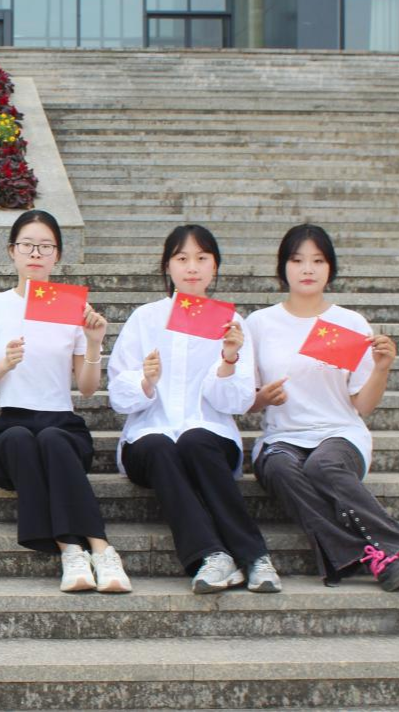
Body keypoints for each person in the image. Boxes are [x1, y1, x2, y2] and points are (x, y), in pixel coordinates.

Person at [247, 223, 399, 592]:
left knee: (322, 465)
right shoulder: (260, 323)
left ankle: (397, 550)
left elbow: (363, 404)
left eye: (318, 260)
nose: (308, 269)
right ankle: (380, 552)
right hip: (281, 437)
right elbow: (247, 401)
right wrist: (264, 397)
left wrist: (382, 368)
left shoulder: (349, 322)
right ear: (283, 267)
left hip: (339, 434)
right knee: (280, 467)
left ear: (330, 268)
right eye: (297, 260)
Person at [107, 224, 281, 594]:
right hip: (148, 438)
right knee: (160, 444)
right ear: (167, 266)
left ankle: (254, 558)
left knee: (194, 439)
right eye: (182, 258)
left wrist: (229, 359)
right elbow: (119, 395)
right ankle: (212, 555)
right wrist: (146, 381)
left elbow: (237, 402)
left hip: (209, 440)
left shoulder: (232, 324)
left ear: (214, 266)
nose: (192, 267)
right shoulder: (145, 318)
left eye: (202, 258)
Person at [0, 210, 132, 593]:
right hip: (11, 430)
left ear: (57, 254)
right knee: (22, 438)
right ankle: (70, 549)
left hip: (61, 427)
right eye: (27, 245)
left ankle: (98, 550)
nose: (35, 254)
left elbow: (87, 388)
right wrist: (4, 365)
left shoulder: (71, 306)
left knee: (53, 439)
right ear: (12, 251)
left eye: (45, 246)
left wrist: (94, 343)